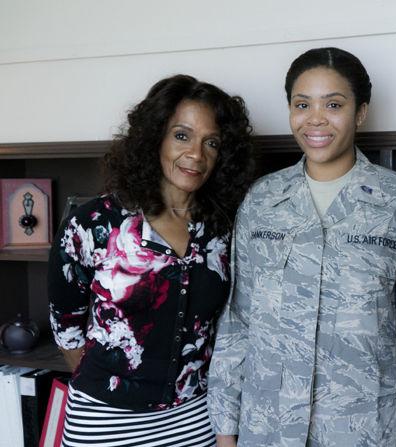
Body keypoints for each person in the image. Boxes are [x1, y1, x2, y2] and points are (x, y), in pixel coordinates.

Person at [207, 47, 396, 446]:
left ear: (361, 112)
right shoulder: (263, 200)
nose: (315, 118)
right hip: (269, 427)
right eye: (302, 104)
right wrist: (226, 429)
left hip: (363, 429)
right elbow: (238, 321)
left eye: (333, 104)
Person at [47, 74, 255, 447]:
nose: (196, 154)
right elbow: (67, 329)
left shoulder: (224, 229)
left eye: (212, 142)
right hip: (104, 422)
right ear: (154, 137)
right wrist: (118, 389)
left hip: (194, 419)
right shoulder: (93, 224)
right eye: (182, 135)